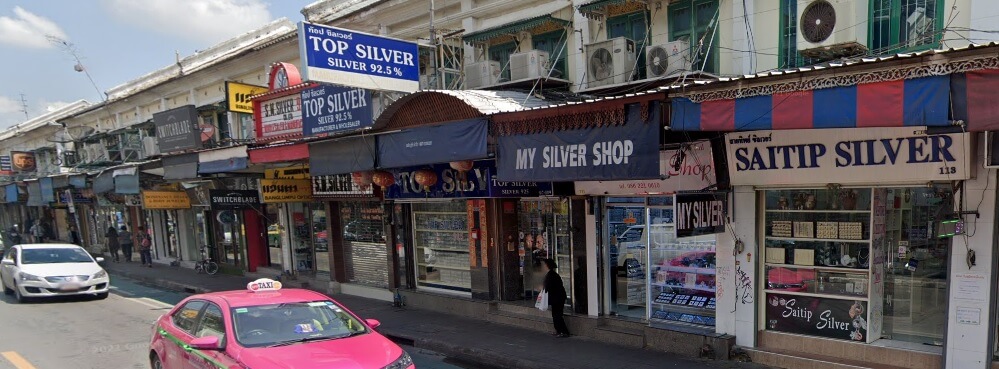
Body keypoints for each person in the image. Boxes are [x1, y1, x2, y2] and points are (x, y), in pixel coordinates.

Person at [541, 258, 570, 338]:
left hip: (557, 298)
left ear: (547, 266)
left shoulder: (551, 275)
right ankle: (559, 330)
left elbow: (549, 287)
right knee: (556, 314)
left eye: (543, 265)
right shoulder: (551, 274)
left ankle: (564, 331)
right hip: (557, 298)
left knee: (557, 315)